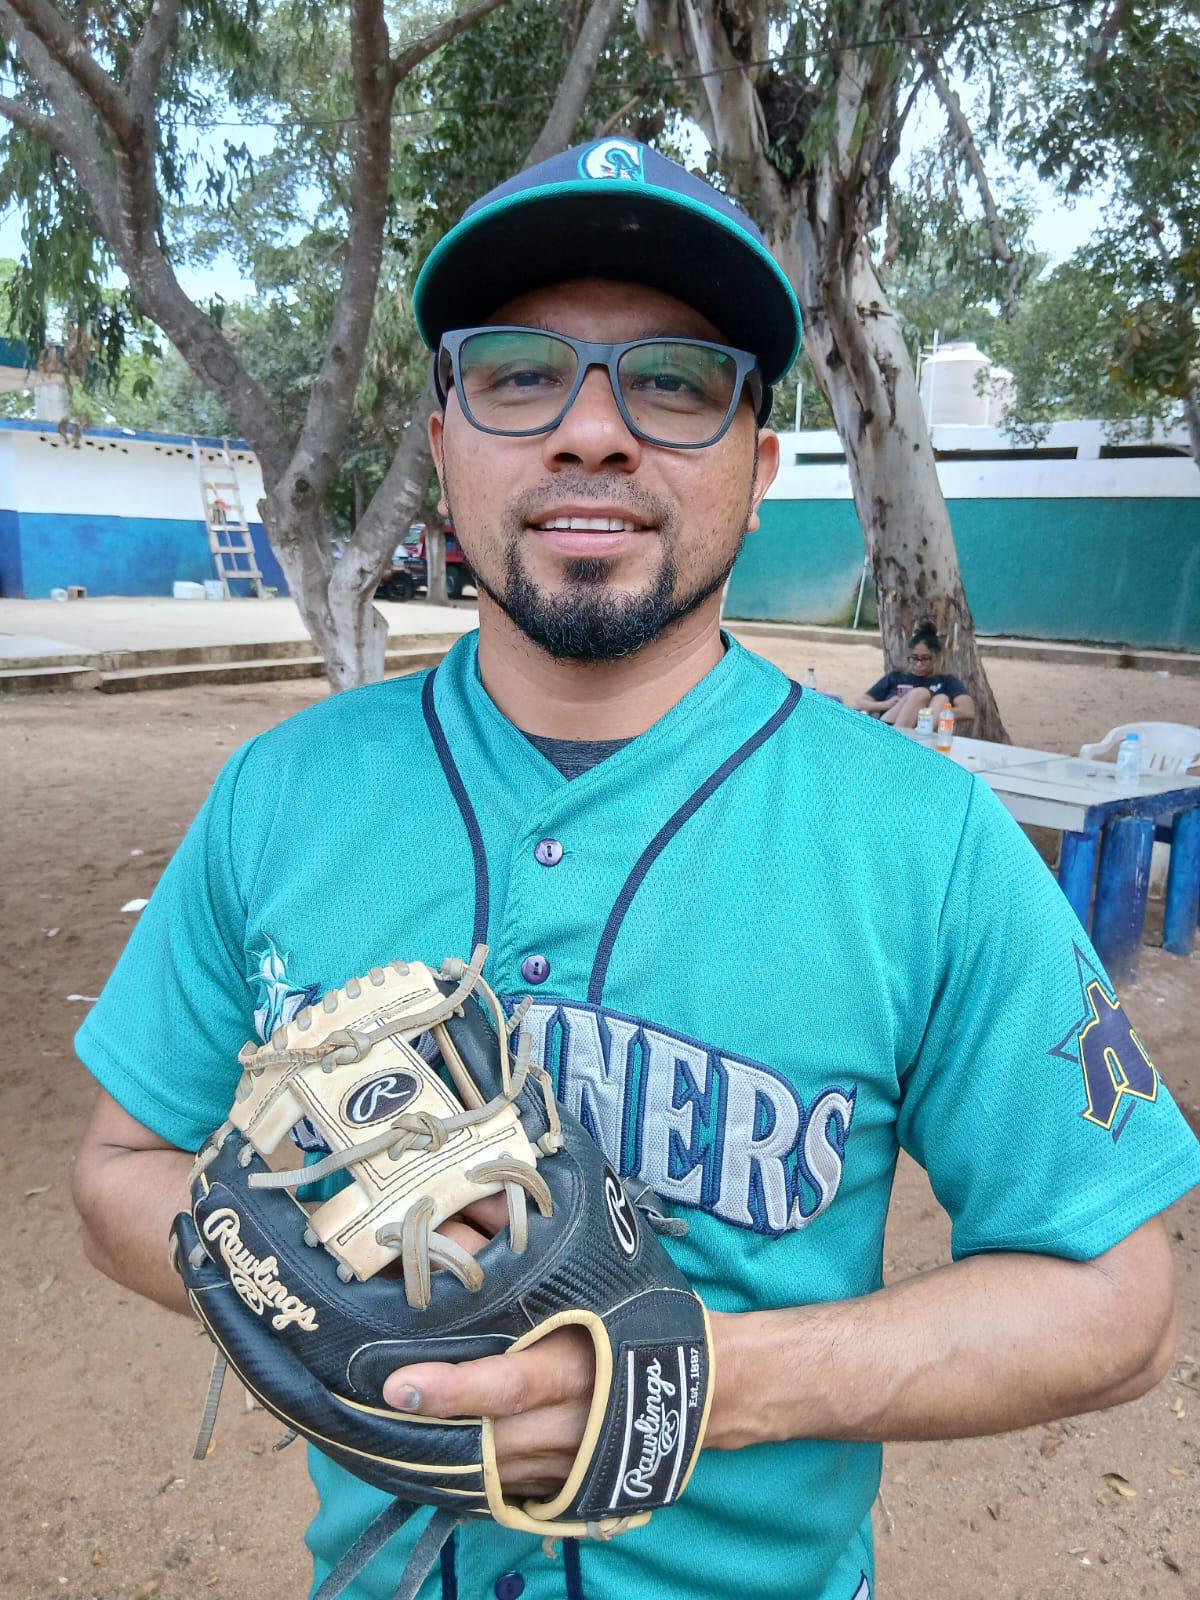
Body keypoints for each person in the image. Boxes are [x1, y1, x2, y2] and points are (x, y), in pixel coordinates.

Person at [71, 138, 1199, 1600]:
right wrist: (280, 1283)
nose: (592, 433)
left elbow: (1116, 1300)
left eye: (672, 380)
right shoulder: (280, 795)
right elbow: (115, 1167)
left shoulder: (925, 839)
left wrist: (700, 1383)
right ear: (439, 436)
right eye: (521, 371)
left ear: (758, 456)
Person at [854, 622, 976, 729]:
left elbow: (968, 711)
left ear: (936, 658)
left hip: (922, 729)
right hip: (889, 725)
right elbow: (859, 703)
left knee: (941, 699)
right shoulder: (896, 677)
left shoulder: (946, 681)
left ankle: (917, 737)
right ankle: (895, 741)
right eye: (914, 658)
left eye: (925, 659)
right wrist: (886, 704)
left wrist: (928, 711)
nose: (919, 664)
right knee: (921, 694)